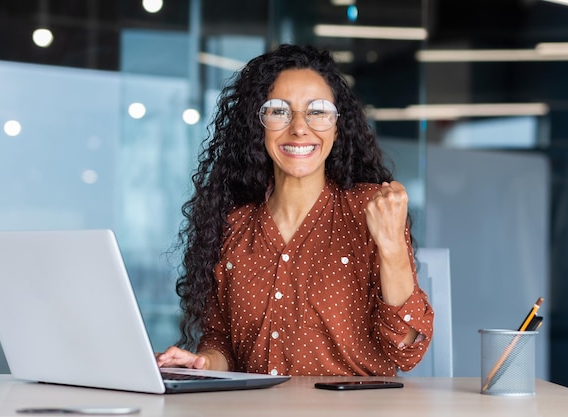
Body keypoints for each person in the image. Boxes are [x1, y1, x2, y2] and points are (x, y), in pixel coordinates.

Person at [157, 44, 434, 376]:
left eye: (317, 111)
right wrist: (202, 363)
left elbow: (406, 349)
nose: (299, 127)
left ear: (337, 124)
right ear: (257, 123)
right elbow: (223, 345)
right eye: (279, 110)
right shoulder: (233, 225)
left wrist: (391, 247)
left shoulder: (370, 208)